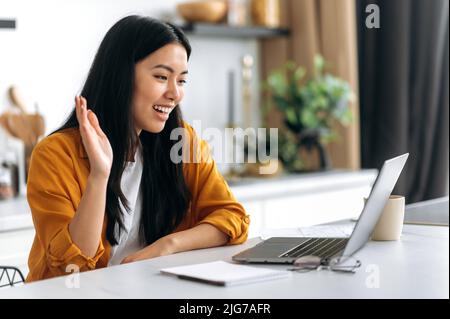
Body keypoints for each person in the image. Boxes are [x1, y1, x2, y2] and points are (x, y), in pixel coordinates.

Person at [26, 15, 250, 282]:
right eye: (161, 76)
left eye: (181, 81)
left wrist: (168, 245)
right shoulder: (55, 155)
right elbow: (72, 269)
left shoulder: (181, 141)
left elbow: (232, 217)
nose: (175, 93)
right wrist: (99, 174)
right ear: (121, 76)